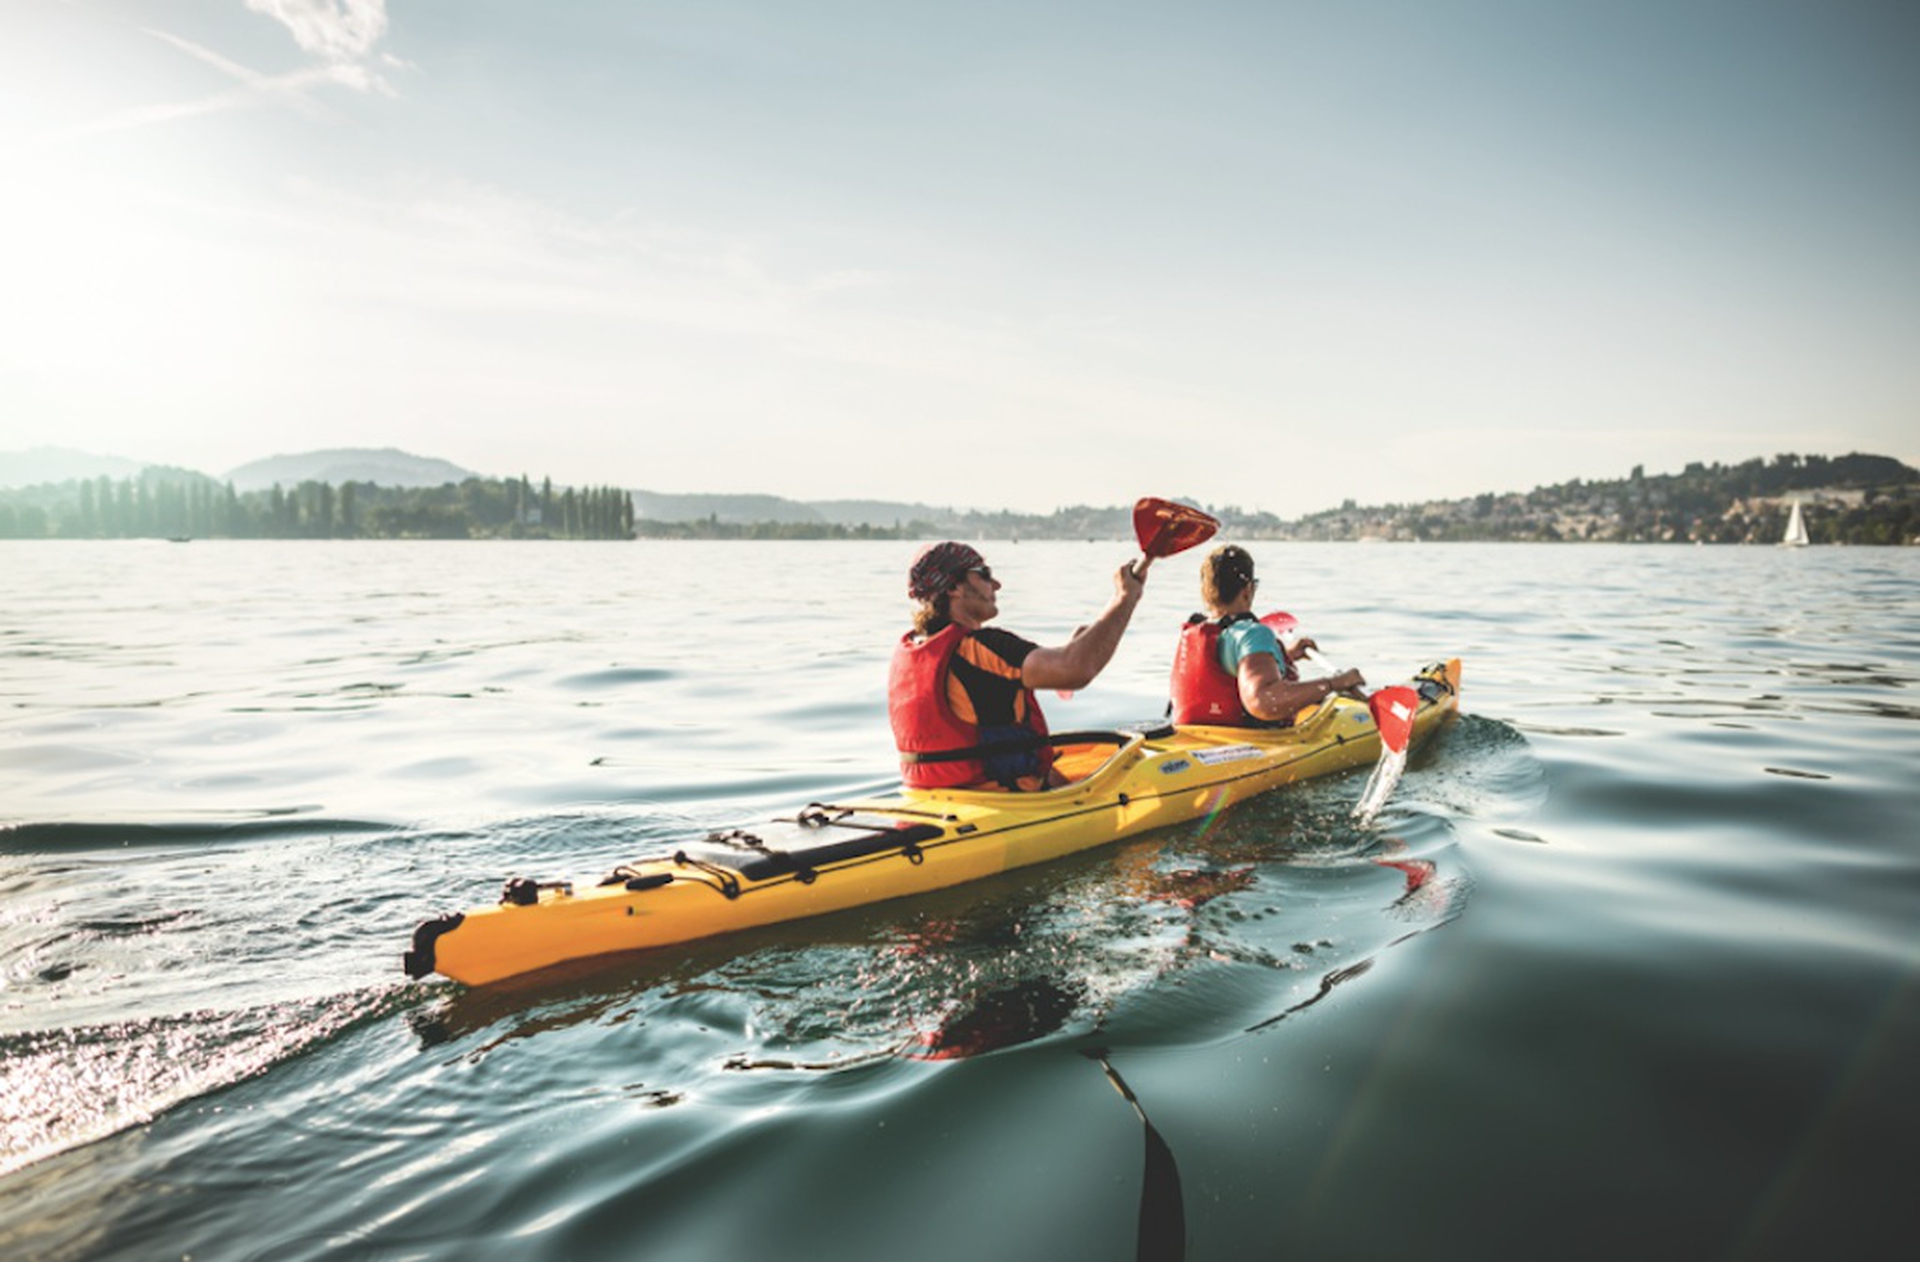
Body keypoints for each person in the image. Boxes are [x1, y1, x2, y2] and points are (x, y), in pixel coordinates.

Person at [890, 541, 1145, 791]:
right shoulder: (981, 647)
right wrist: (1125, 597)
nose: (997, 585)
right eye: (984, 575)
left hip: (930, 798)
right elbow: (1074, 669)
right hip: (1001, 803)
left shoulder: (910, 650)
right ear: (954, 587)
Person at [1168, 544, 1364, 726]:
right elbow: (1265, 701)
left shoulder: (1198, 629)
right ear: (1248, 590)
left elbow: (1227, 662)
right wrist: (1333, 684)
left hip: (1192, 736)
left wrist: (1284, 655)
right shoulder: (1252, 634)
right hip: (1245, 744)